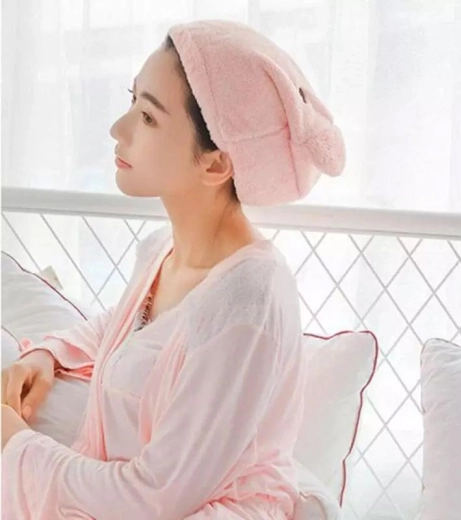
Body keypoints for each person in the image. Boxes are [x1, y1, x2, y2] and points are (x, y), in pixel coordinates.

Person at [1, 19, 345, 519]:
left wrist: (17, 446)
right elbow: (132, 333)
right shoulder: (164, 250)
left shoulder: (247, 303)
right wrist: (47, 355)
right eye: (132, 100)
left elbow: (156, 495)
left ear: (215, 164)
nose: (118, 129)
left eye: (147, 117)